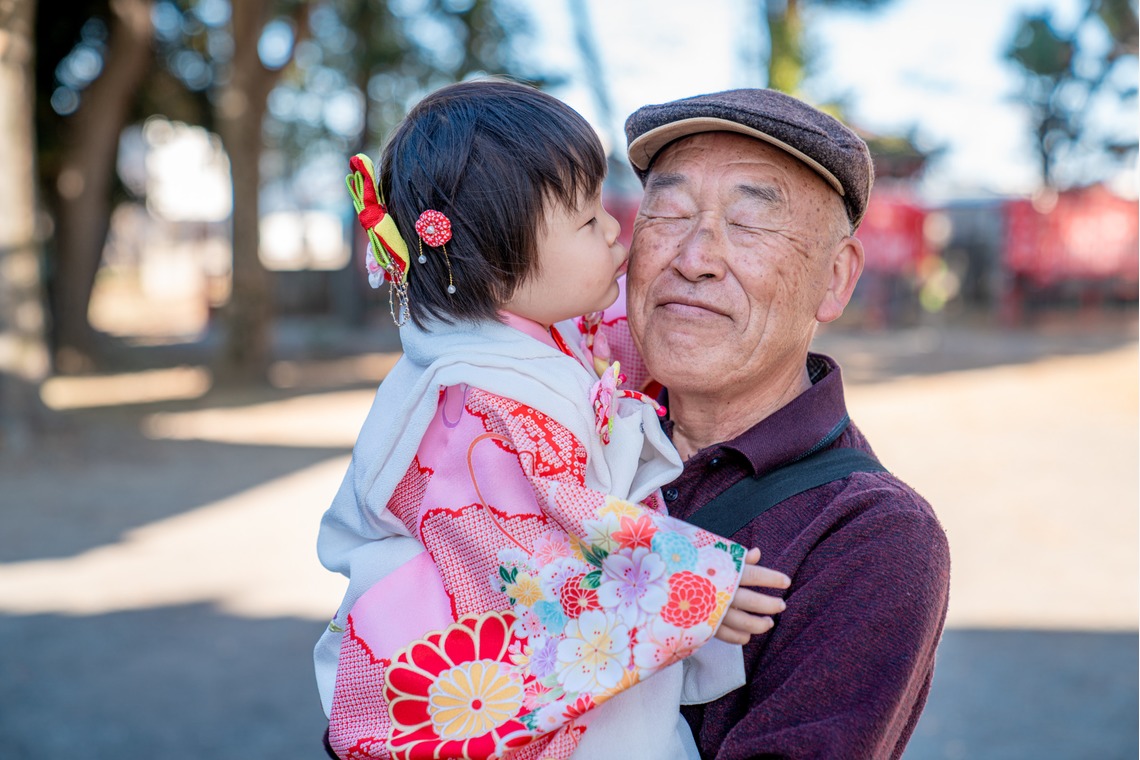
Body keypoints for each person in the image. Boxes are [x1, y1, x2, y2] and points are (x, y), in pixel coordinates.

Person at [313, 80, 791, 760]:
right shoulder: (478, 401)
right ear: (498, 257)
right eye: (586, 219)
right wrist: (692, 584)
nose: (613, 230)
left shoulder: (534, 334)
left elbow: (615, 342)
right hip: (508, 679)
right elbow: (536, 544)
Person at [605, 88, 952, 759]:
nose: (694, 257)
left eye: (750, 223)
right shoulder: (559, 442)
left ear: (835, 278)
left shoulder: (871, 536)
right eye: (668, 212)